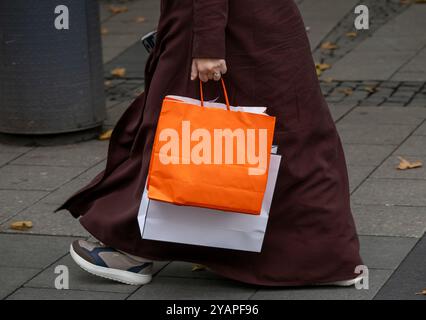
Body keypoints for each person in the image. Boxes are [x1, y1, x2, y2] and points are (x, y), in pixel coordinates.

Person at [55, 0, 363, 287]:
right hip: (259, 24)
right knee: (292, 139)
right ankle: (326, 256)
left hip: (226, 29)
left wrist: (207, 42)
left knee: (173, 133)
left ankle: (134, 249)